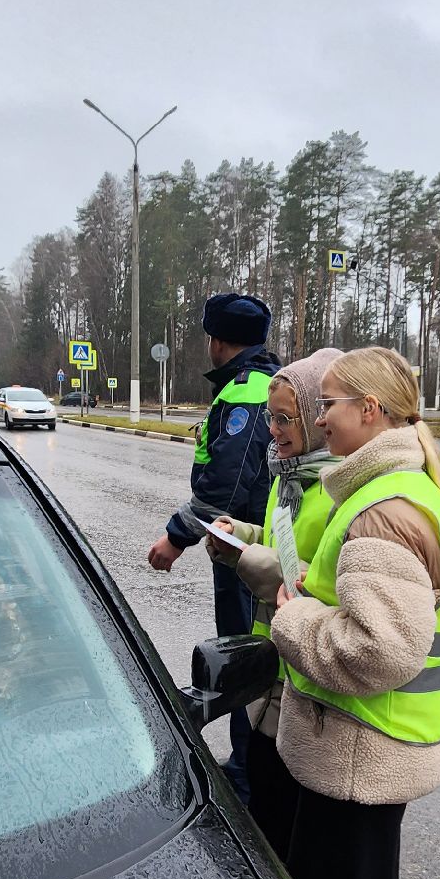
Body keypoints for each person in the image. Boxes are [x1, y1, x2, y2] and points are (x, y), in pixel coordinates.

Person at [268, 346, 440, 879]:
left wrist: (293, 617)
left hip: (359, 756)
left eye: (328, 404)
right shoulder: (408, 490)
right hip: (382, 747)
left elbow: (380, 649)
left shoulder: (380, 511)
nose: (320, 419)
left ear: (370, 410)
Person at [203, 347, 344, 857]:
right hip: (272, 678)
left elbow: (321, 588)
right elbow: (281, 540)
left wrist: (260, 571)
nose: (274, 431)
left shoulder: (338, 492)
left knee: (284, 834)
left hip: (303, 692)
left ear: (315, 419)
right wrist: (239, 534)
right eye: (270, 417)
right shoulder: (290, 478)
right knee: (264, 811)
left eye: (286, 419)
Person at [146, 292, 280, 801]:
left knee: (246, 654)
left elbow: (225, 486)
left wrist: (175, 538)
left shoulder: (248, 393)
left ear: (216, 340)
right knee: (249, 649)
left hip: (243, 547)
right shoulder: (254, 384)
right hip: (245, 543)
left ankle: (247, 774)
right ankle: (246, 761)